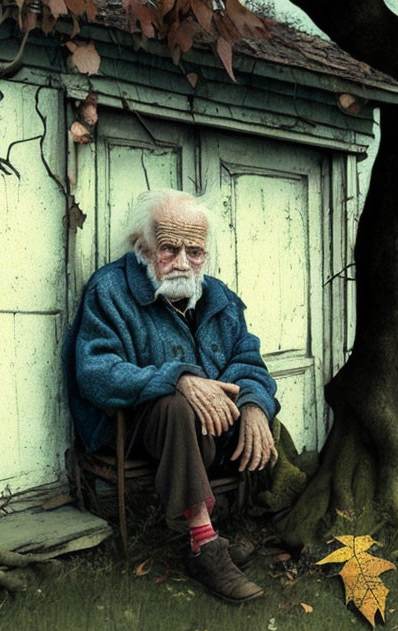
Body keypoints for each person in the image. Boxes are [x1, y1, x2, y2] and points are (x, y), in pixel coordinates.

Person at [63, 189, 279, 602]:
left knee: (262, 412)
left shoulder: (218, 297)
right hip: (137, 428)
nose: (183, 263)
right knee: (177, 406)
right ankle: (203, 543)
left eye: (194, 252)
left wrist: (253, 405)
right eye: (169, 249)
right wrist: (177, 377)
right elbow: (95, 372)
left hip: (212, 430)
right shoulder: (110, 290)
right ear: (143, 247)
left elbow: (248, 360)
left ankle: (240, 524)